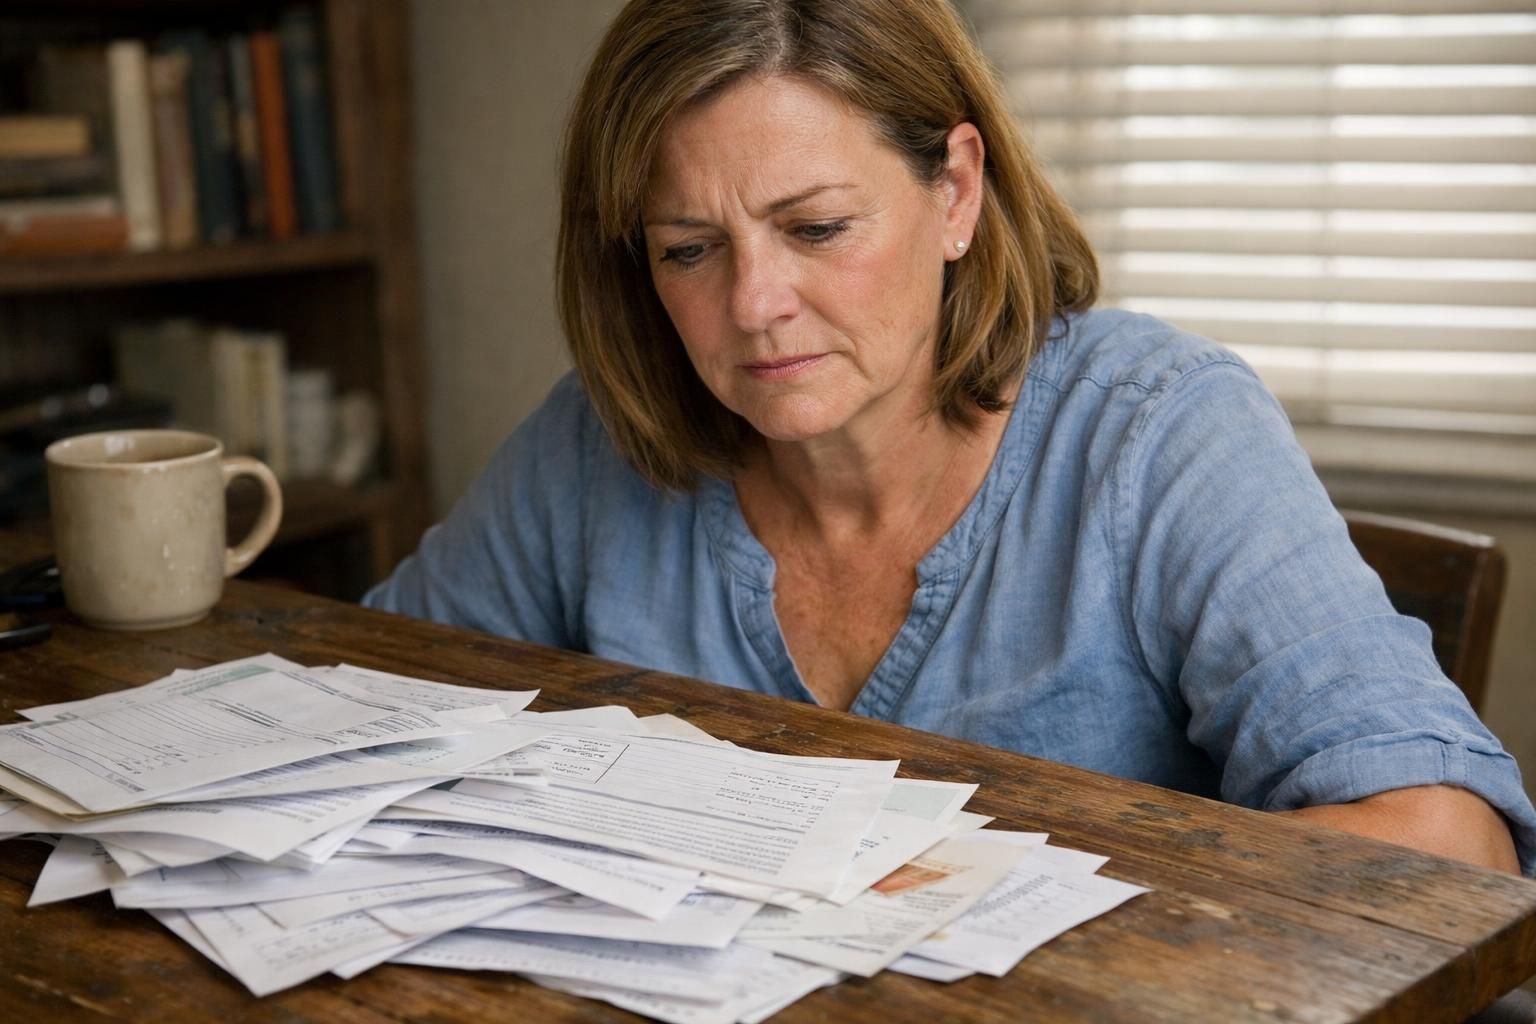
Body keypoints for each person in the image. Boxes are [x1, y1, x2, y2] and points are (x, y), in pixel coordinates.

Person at [366, 0, 1535, 878]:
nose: (754, 303)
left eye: (815, 227)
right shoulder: (596, 443)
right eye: (687, 248)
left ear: (956, 192)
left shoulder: (1157, 429)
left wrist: (977, 892)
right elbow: (357, 711)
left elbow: (1446, 841)